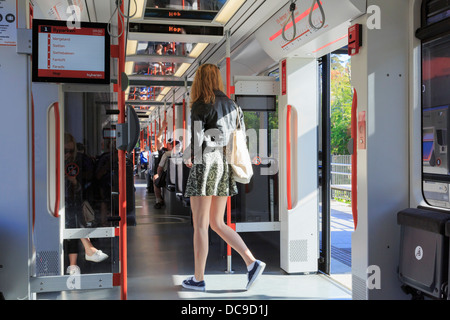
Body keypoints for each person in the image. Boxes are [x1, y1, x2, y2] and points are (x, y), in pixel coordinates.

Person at [181, 64, 265, 291]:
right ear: (217, 79)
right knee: (217, 223)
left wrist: (190, 157)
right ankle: (251, 262)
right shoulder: (233, 105)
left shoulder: (200, 104)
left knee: (200, 225)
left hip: (206, 163)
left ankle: (198, 279)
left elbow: (198, 143)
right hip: (224, 165)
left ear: (199, 81)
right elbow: (239, 140)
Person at [64, 133, 108, 275]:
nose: (68, 154)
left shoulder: (76, 163)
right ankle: (87, 250)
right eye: (66, 151)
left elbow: (80, 188)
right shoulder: (53, 163)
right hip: (55, 204)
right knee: (75, 221)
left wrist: (74, 181)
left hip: (70, 204)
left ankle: (74, 264)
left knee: (74, 223)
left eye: (71, 151)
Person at [153, 138, 181, 209]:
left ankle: (159, 200)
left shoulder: (166, 154)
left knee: (156, 180)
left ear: (171, 146)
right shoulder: (183, 156)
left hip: (168, 177)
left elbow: (160, 168)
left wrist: (159, 176)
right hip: (180, 179)